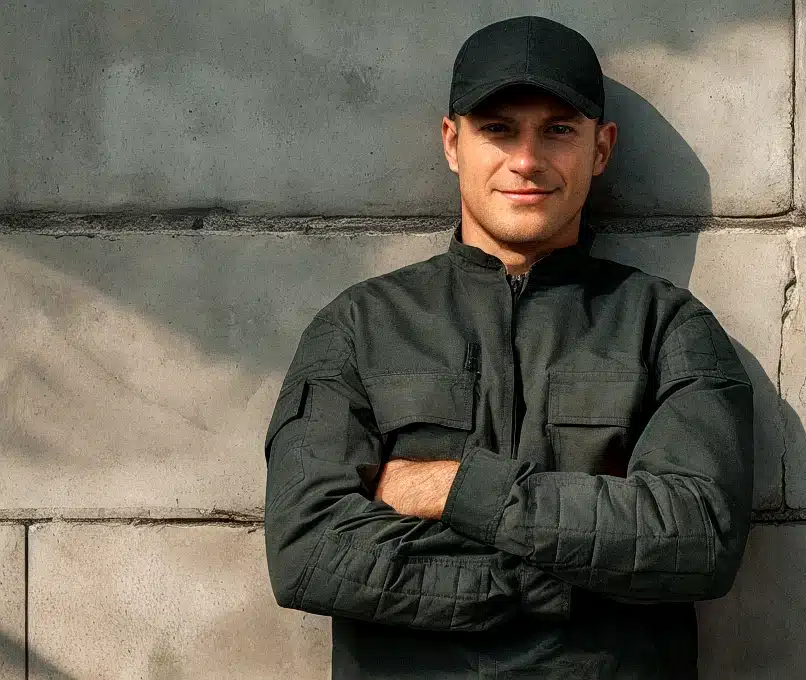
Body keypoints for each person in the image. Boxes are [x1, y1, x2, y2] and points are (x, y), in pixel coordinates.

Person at [263, 14, 753, 679]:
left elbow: (697, 538)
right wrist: (548, 577)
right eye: (498, 129)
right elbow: (310, 552)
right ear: (452, 142)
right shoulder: (359, 326)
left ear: (600, 148)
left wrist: (454, 486)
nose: (526, 160)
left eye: (558, 130)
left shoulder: (668, 327)